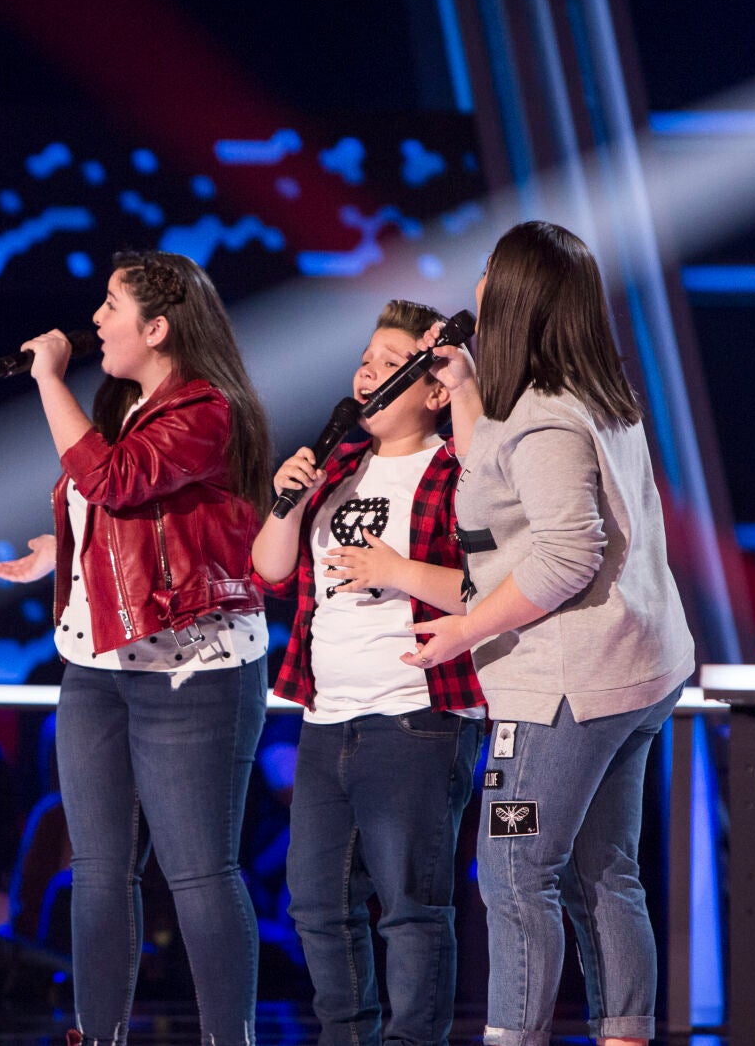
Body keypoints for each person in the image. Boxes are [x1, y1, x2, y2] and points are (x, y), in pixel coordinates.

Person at [405, 222, 695, 1046]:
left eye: (488, 271)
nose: (476, 286)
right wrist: (465, 387)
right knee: (603, 871)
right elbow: (499, 482)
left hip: (564, 687)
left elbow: (569, 554)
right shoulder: (588, 394)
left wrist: (465, 628)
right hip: (629, 672)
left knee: (513, 869)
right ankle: (624, 1033)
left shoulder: (547, 418)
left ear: (516, 295)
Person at [0, 250, 273, 1046]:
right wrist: (60, 550)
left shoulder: (208, 409)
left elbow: (116, 480)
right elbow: (125, 516)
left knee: (199, 872)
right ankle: (97, 1035)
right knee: (96, 871)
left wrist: (49, 379)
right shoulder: (126, 404)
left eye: (111, 306)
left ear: (157, 328)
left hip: (193, 667)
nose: (96, 320)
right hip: (97, 665)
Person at [250, 299, 488, 1046]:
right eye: (365, 361)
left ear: (436, 389)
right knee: (316, 903)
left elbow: (496, 586)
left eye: (391, 364)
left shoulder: (458, 468)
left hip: (416, 714)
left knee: (411, 907)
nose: (369, 374)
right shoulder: (337, 468)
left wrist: (397, 570)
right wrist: (288, 504)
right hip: (327, 718)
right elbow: (270, 569)